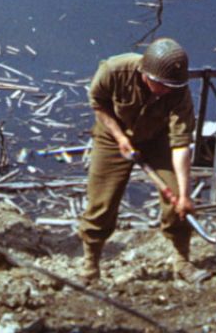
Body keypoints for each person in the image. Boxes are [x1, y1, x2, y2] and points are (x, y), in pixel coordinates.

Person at [77, 38, 204, 285]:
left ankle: (182, 259)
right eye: (162, 85)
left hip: (158, 138)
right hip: (112, 136)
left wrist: (186, 195)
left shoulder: (179, 91)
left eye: (172, 86)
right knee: (101, 202)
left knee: (176, 199)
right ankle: (91, 265)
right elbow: (98, 105)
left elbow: (180, 144)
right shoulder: (114, 70)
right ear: (146, 74)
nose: (168, 91)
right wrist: (119, 136)